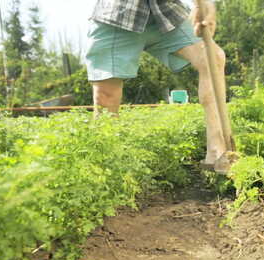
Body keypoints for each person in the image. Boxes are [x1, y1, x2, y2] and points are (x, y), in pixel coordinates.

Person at [85, 0, 226, 168]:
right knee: (105, 97)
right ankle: (106, 167)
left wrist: (202, 4)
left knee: (212, 59)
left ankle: (217, 151)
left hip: (165, 11)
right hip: (118, 13)